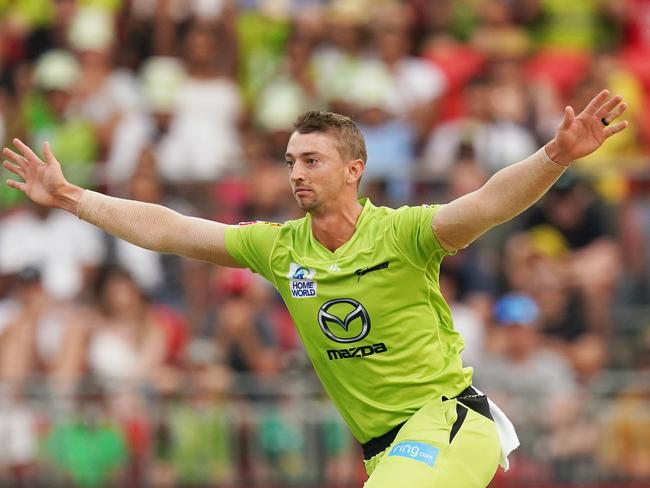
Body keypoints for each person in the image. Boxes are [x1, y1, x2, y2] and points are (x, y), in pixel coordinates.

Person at [2, 89, 628, 487]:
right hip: (383, 451)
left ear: (354, 168)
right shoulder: (280, 248)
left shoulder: (405, 233)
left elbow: (488, 203)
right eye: (292, 161)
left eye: (313, 160)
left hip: (448, 423)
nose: (297, 173)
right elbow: (171, 230)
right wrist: (70, 196)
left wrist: (557, 155)